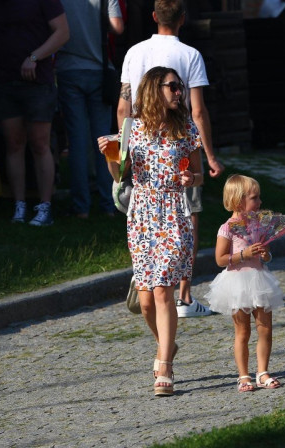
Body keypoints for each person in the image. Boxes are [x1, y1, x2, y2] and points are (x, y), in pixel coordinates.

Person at [99, 66, 203, 396]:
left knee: (162, 292)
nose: (179, 92)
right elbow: (120, 175)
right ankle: (166, 345)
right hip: (142, 216)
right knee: (145, 302)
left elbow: (198, 174)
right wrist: (109, 154)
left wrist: (191, 178)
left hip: (173, 212)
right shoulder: (132, 128)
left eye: (180, 86)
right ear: (154, 89)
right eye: (172, 86)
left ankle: (165, 367)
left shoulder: (185, 127)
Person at [118, 0, 225, 317]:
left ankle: (149, 275)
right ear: (183, 18)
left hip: (141, 144)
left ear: (154, 17)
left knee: (145, 216)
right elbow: (198, 111)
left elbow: (124, 106)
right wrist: (209, 155)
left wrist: (123, 149)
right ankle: (184, 297)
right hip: (178, 142)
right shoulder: (190, 54)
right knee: (188, 215)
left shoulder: (134, 52)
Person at [0, 0, 69, 226]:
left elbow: (62, 32)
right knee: (14, 144)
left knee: (39, 144)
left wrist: (35, 57)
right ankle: (19, 204)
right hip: (5, 79)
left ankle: (45, 206)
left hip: (37, 82)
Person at [204, 174, 284, 392]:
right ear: (239, 201)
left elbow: (266, 255)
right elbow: (220, 259)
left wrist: (266, 254)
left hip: (259, 280)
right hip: (237, 283)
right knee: (242, 331)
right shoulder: (228, 228)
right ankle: (243, 375)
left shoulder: (258, 226)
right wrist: (244, 254)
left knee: (265, 328)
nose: (260, 202)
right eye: (254, 198)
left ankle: (263, 372)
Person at [55, 0, 124, 219]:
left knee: (77, 141)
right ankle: (108, 204)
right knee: (105, 140)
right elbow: (118, 27)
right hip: (99, 69)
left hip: (68, 69)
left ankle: (81, 207)